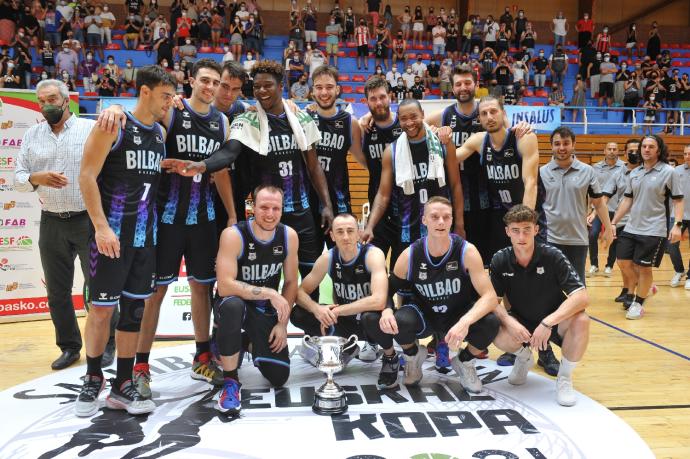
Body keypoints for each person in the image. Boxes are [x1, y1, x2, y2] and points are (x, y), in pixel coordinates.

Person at [161, 60, 334, 300]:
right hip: (266, 214)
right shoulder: (246, 120)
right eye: (257, 87)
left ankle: (312, 332)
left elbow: (314, 166)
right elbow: (229, 152)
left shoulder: (302, 119)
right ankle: (265, 331)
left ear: (281, 86)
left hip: (301, 210)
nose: (261, 91)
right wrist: (202, 165)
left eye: (268, 86)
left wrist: (326, 204)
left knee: (308, 279)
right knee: (265, 278)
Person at [75, 65, 176, 417]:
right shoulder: (113, 125)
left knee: (134, 311)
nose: (169, 103)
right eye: (164, 96)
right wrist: (101, 227)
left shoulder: (160, 134)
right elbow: (86, 176)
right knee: (102, 310)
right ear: (144, 92)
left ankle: (122, 385)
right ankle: (92, 376)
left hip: (145, 239)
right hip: (110, 238)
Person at [13, 79, 117, 371]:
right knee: (57, 291)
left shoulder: (89, 129)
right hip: (52, 223)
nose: (47, 105)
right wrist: (37, 178)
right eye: (42, 101)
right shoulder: (32, 135)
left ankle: (107, 343)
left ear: (66, 101)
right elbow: (17, 177)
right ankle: (70, 347)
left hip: (88, 220)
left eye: (52, 99)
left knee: (100, 287)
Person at [362, 197, 500, 392]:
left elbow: (490, 297)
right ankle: (412, 356)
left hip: (457, 313)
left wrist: (464, 322)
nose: (441, 222)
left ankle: (464, 362)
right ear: (424, 220)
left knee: (491, 322)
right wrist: (386, 310)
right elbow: (386, 290)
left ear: (452, 220)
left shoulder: (467, 251)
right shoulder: (410, 255)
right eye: (434, 217)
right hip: (424, 313)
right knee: (398, 321)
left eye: (446, 217)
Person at [490, 205, 590, 407]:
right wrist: (509, 321)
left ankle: (564, 378)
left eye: (527, 229)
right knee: (492, 322)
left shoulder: (552, 256)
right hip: (520, 320)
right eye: (516, 230)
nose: (522, 236)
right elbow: (492, 301)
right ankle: (524, 358)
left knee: (581, 319)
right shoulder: (500, 259)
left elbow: (582, 297)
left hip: (553, 321)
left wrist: (547, 323)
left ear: (536, 230)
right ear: (507, 231)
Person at [213, 185, 298, 414]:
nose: (269, 214)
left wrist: (282, 324)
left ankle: (241, 342)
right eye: (264, 207)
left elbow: (291, 283)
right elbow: (225, 286)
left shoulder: (288, 236)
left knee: (279, 377)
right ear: (252, 207)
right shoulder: (234, 235)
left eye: (275, 208)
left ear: (282, 209)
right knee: (233, 305)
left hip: (263, 310)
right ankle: (231, 382)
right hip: (234, 302)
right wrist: (269, 292)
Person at [362, 97, 464, 267]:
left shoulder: (443, 143)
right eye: (403, 119)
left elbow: (455, 185)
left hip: (441, 228)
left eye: (414, 116)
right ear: (398, 120)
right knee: (405, 288)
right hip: (407, 230)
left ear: (423, 115)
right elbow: (383, 194)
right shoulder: (391, 152)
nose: (409, 123)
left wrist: (460, 224)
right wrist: (370, 226)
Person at [292, 213, 387, 361]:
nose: (345, 237)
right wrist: (318, 310)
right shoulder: (328, 258)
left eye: (350, 231)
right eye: (340, 232)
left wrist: (337, 311)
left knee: (372, 317)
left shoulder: (373, 255)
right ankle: (346, 343)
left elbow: (379, 301)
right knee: (297, 313)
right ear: (332, 236)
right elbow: (299, 293)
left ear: (358, 233)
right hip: (344, 319)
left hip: (369, 320)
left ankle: (372, 343)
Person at [455, 96, 540, 260]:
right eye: (484, 113)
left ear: (503, 113)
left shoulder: (523, 137)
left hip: (526, 211)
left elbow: (530, 183)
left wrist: (524, 222)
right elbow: (451, 159)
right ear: (479, 118)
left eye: (493, 111)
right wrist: (433, 133)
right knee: (501, 268)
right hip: (500, 216)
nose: (490, 117)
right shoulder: (479, 141)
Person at [611, 135, 684, 319]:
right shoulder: (635, 173)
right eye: (644, 146)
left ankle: (638, 303)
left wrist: (677, 225)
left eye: (651, 146)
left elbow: (678, 200)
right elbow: (628, 199)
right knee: (623, 262)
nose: (646, 149)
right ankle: (647, 287)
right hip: (631, 227)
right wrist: (613, 222)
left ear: (658, 150)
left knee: (644, 269)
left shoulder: (669, 172)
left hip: (654, 229)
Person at [539, 127, 614, 284]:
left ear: (573, 144)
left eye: (566, 143)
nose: (561, 148)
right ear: (551, 146)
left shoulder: (587, 171)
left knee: (577, 285)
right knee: (550, 284)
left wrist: (608, 228)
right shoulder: (542, 172)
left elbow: (599, 203)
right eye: (557, 143)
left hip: (578, 239)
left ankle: (578, 310)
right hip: (549, 238)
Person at [306, 65, 365, 250]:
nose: (324, 92)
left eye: (329, 87)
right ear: (312, 90)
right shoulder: (303, 118)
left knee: (344, 258)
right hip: (308, 201)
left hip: (339, 202)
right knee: (309, 264)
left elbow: (364, 160)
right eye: (319, 87)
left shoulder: (350, 123)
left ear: (338, 89)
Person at [602, 139, 642, 303]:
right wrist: (593, 212)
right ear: (625, 153)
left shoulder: (646, 171)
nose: (633, 154)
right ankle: (628, 289)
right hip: (621, 220)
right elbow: (605, 195)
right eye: (630, 151)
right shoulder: (618, 174)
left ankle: (634, 292)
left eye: (636, 150)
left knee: (631, 262)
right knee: (623, 261)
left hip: (640, 223)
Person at [587, 142, 626, 277]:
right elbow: (589, 190)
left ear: (618, 151)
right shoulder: (595, 168)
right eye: (609, 149)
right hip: (597, 209)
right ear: (604, 151)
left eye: (615, 149)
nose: (612, 151)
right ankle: (594, 264)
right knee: (592, 234)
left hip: (616, 209)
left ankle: (609, 265)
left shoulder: (625, 167)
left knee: (614, 237)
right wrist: (589, 210)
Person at [667, 145, 690, 289]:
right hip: (677, 215)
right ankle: (679, 270)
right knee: (671, 244)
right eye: (685, 153)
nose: (687, 156)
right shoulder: (676, 171)